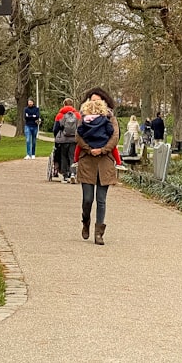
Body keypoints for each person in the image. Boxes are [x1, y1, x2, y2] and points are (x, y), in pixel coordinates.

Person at [75, 86, 120, 245]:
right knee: (88, 199)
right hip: (87, 161)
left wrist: (103, 150)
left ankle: (99, 233)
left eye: (98, 101)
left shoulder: (110, 119)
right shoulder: (83, 118)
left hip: (105, 161)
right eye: (92, 101)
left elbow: (115, 137)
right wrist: (89, 149)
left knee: (101, 199)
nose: (95, 104)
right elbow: (78, 136)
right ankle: (85, 221)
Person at [52, 99, 80, 182]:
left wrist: (57, 137)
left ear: (64, 105)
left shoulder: (60, 115)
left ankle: (65, 175)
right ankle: (73, 173)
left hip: (63, 140)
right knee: (72, 156)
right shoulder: (77, 115)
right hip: (74, 139)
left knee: (63, 156)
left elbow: (55, 129)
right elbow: (80, 127)